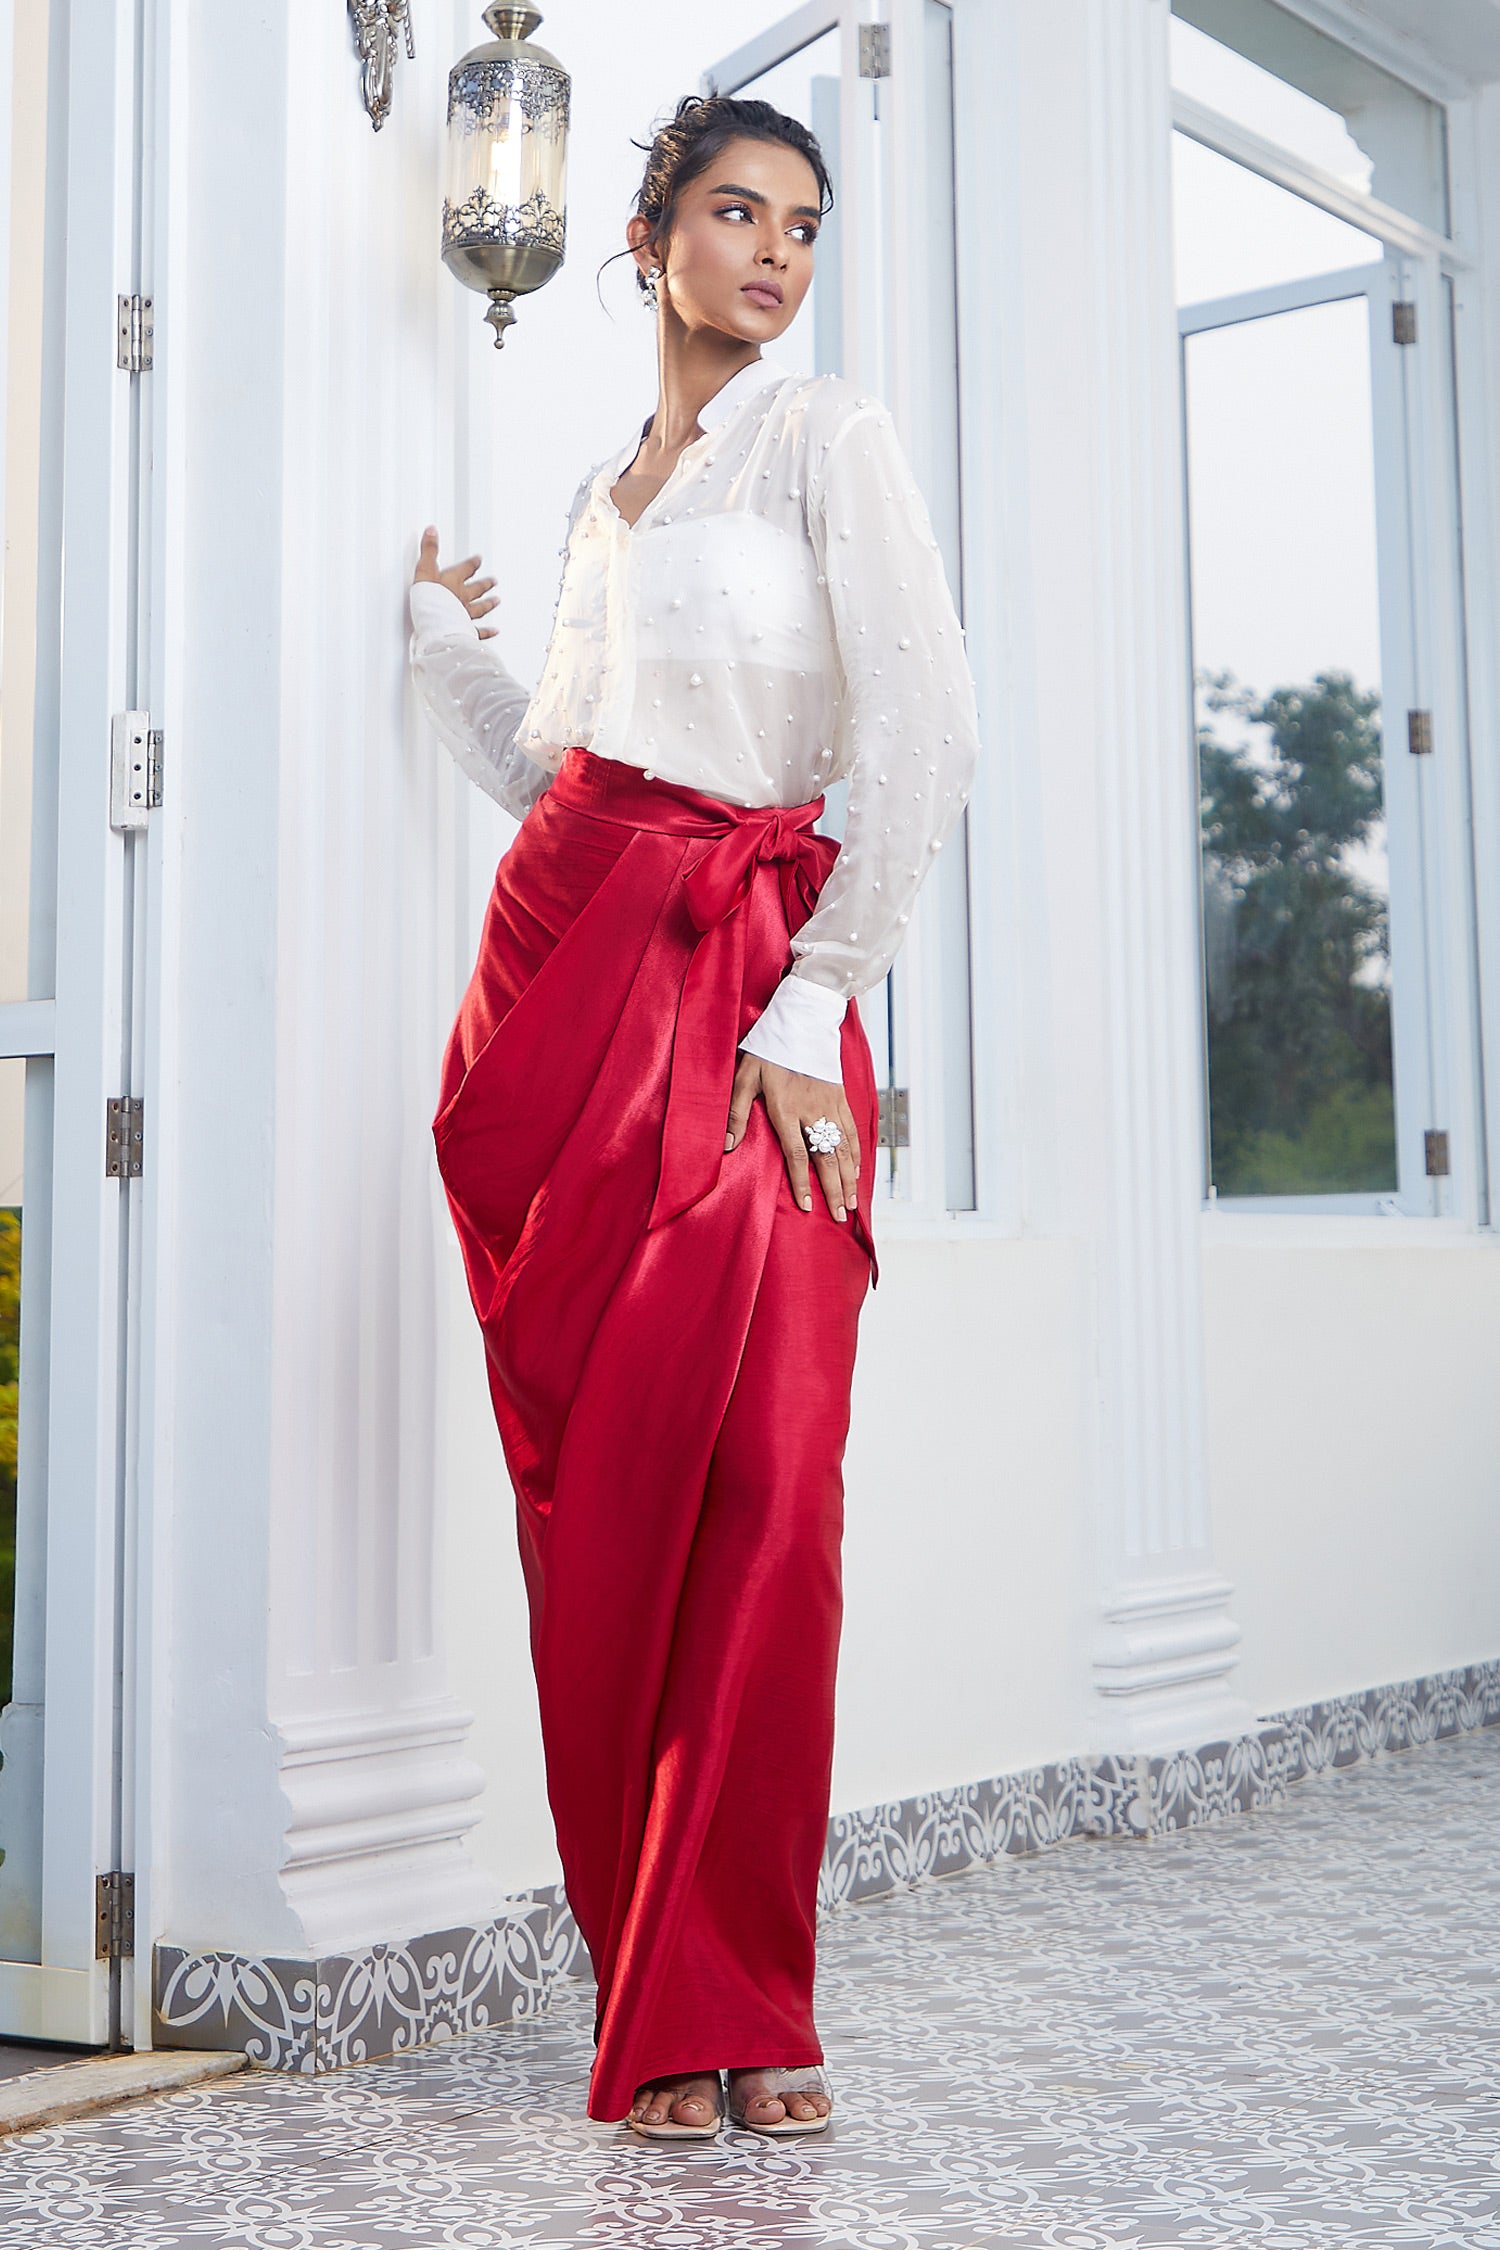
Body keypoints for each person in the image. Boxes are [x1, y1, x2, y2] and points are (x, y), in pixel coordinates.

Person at [408, 91, 980, 2141]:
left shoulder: (828, 440)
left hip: (754, 988)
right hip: (559, 992)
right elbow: (563, 763)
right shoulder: (601, 495)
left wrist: (816, 996)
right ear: (643, 238)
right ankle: (653, 2003)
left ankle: (747, 1988)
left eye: (803, 222)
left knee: (773, 1492)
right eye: (735, 211)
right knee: (610, 1510)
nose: (775, 250)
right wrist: (439, 652)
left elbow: (929, 728)